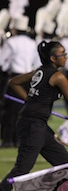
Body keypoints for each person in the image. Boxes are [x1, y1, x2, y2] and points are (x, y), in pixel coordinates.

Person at [0, 41, 68, 191]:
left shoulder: (39, 71)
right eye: (62, 54)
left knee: (65, 165)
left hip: (40, 126)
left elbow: (14, 82)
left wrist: (30, 100)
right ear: (53, 58)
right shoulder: (58, 77)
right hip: (32, 125)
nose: (66, 57)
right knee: (21, 171)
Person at [0, 16, 41, 147]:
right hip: (29, 78)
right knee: (24, 110)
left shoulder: (11, 42)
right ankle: (20, 139)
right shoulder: (32, 43)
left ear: (15, 29)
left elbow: (2, 61)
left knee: (9, 110)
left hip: (14, 78)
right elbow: (36, 63)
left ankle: (8, 140)